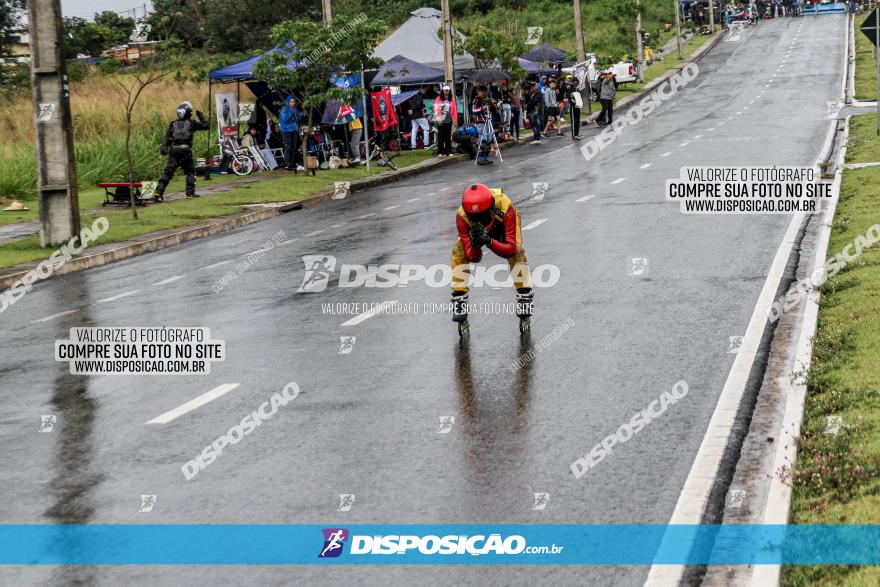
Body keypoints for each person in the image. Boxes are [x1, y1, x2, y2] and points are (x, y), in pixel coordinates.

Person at [450, 184, 534, 323]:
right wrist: (476, 245)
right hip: (475, 233)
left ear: (492, 208)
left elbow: (510, 249)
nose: (478, 221)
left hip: (501, 226)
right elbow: (473, 257)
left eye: (482, 217)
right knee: (459, 249)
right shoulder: (462, 216)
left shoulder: (505, 206)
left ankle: (524, 292)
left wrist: (489, 241)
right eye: (473, 217)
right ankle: (459, 298)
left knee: (517, 251)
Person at [156, 101, 209, 199]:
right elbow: (206, 126)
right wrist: (201, 116)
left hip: (174, 151)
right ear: (188, 112)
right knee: (190, 172)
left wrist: (164, 147)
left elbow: (166, 137)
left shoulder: (173, 124)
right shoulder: (192, 123)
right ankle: (190, 193)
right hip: (186, 151)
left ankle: (159, 192)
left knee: (168, 172)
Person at [470, 85, 497, 164]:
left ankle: (485, 157)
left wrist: (493, 105)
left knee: (489, 139)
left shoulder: (488, 99)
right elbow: (473, 110)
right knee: (483, 139)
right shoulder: (476, 99)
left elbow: (494, 111)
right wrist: (483, 108)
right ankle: (480, 158)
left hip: (488, 121)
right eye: (481, 91)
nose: (483, 93)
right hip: (480, 122)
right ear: (478, 92)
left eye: (484, 91)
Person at [279, 96, 303, 171]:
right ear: (288, 102)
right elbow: (285, 119)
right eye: (291, 101)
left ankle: (292, 163)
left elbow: (299, 119)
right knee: (288, 147)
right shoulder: (284, 109)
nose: (293, 103)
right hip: (286, 131)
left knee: (294, 147)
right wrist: (291, 112)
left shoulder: (294, 109)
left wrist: (296, 111)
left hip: (294, 130)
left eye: (293, 101)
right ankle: (287, 164)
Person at [434, 85, 457, 157]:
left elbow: (454, 111)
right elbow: (436, 109)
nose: (446, 91)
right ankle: (440, 151)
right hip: (441, 119)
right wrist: (438, 119)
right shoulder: (438, 99)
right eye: (445, 90)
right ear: (442, 91)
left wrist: (455, 120)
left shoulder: (452, 100)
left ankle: (448, 151)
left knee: (448, 136)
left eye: (447, 90)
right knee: (441, 136)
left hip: (448, 119)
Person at [408, 85, 431, 149]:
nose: (425, 91)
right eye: (425, 90)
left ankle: (413, 145)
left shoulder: (413, 96)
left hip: (413, 116)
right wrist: (413, 109)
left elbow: (412, 105)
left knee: (414, 130)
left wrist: (411, 110)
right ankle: (426, 144)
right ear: (422, 89)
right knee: (426, 128)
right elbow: (417, 105)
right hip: (419, 115)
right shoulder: (419, 96)